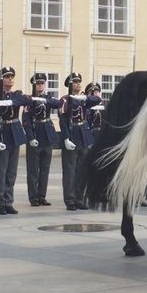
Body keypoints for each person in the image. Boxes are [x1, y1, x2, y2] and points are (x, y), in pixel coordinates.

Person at [0, 66, 32, 215]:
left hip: (15, 134)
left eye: (12, 76)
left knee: (11, 172)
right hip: (2, 134)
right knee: (1, 171)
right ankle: (0, 203)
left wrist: (9, 102)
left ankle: (9, 201)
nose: (10, 79)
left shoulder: (16, 95)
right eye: (7, 76)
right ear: (1, 79)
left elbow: (27, 100)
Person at [59, 72, 101, 210]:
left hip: (84, 135)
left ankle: (79, 198)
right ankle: (70, 200)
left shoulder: (84, 98)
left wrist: (83, 97)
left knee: (82, 170)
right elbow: (63, 121)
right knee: (70, 171)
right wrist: (66, 137)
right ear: (70, 85)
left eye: (79, 81)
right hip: (72, 134)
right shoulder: (65, 100)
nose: (78, 84)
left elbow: (96, 100)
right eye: (75, 82)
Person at [23, 73, 61, 206]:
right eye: (37, 83)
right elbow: (26, 120)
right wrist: (30, 137)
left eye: (42, 83)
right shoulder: (29, 100)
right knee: (33, 169)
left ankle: (42, 195)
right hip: (35, 133)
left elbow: (59, 103)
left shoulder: (48, 98)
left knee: (45, 168)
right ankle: (33, 197)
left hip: (47, 135)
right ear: (34, 85)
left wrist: (45, 100)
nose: (40, 85)